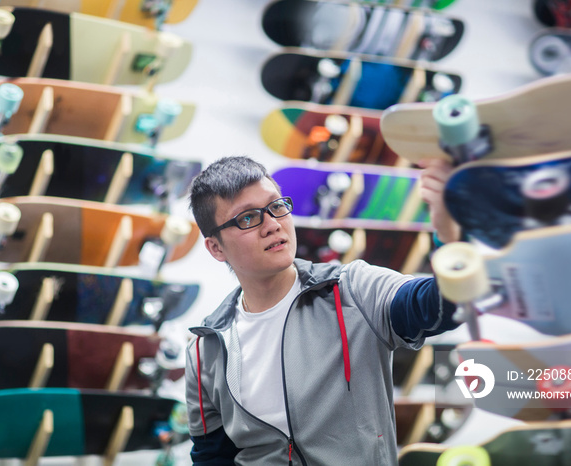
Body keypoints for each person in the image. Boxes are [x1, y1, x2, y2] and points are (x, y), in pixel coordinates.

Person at [185, 156, 460, 465]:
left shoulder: (352, 290)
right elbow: (212, 458)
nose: (273, 225)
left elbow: (440, 305)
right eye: (248, 218)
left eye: (276, 207)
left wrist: (451, 232)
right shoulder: (204, 349)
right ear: (216, 248)